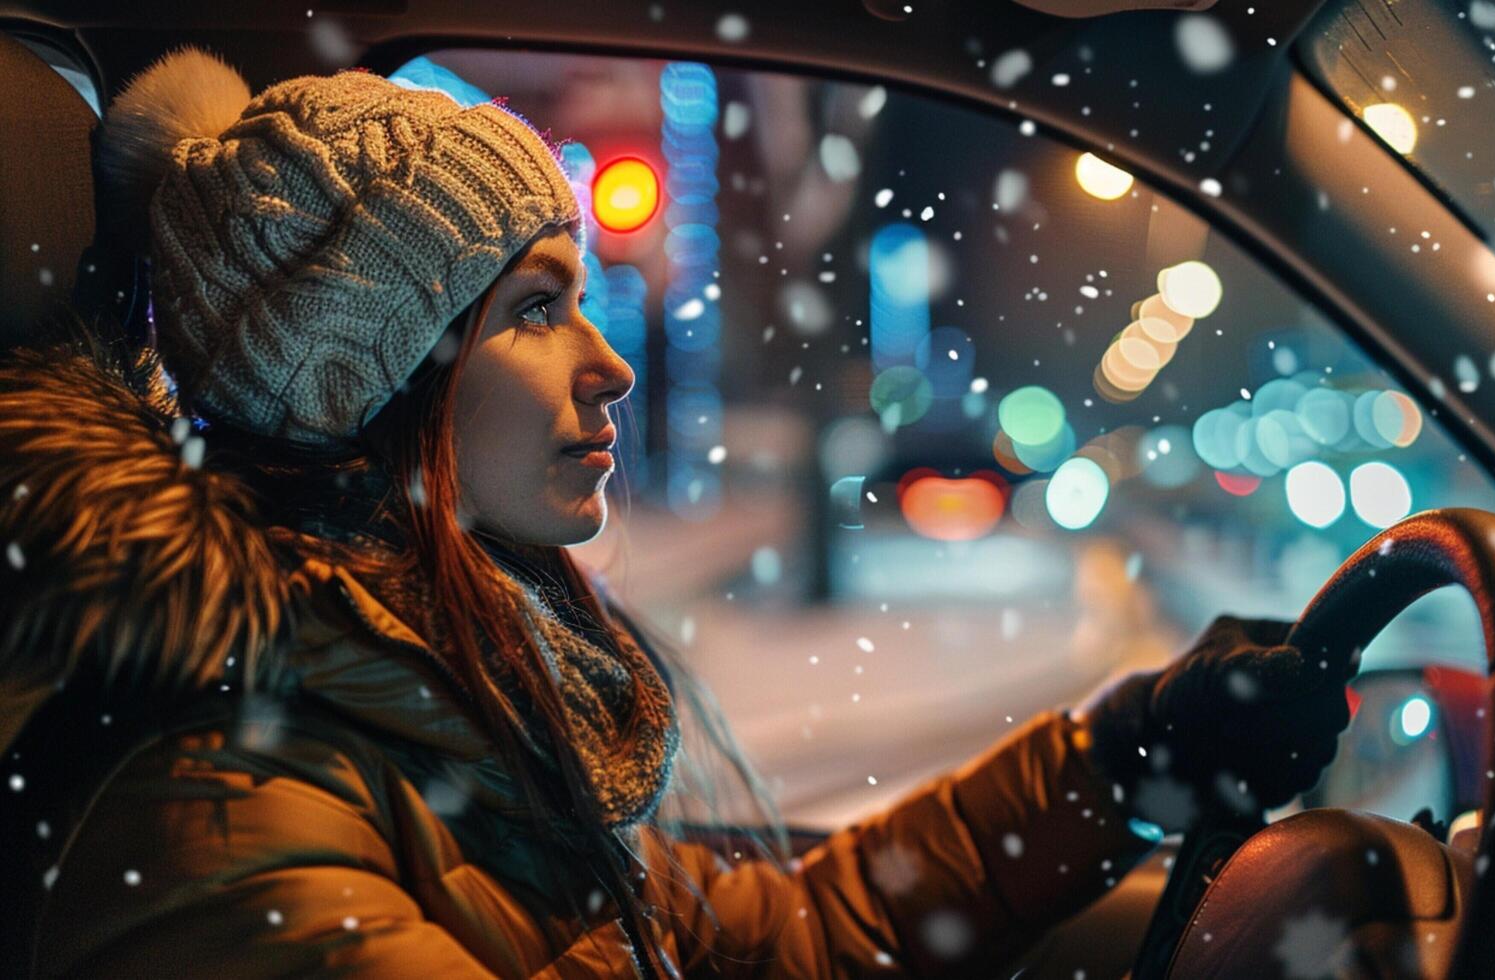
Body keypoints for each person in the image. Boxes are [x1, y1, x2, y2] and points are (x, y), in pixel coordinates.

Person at [0, 48, 1351, 977]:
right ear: (362, 381)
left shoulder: (454, 696)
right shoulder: (226, 821)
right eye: (535, 311)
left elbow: (778, 945)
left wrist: (1121, 763)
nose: (612, 363)